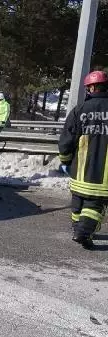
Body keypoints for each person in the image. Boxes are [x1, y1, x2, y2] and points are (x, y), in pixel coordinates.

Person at [59, 70, 108, 249]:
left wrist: (65, 160)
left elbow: (66, 140)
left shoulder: (79, 110)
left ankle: (78, 229)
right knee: (94, 205)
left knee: (78, 202)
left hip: (79, 172)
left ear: (90, 88)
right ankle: (82, 232)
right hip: (103, 176)